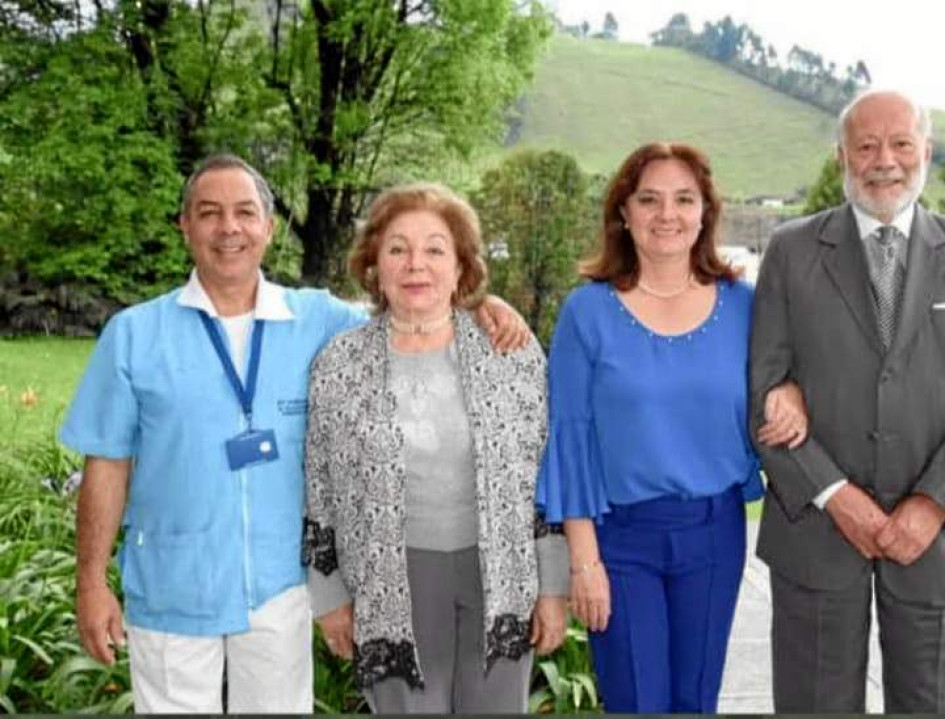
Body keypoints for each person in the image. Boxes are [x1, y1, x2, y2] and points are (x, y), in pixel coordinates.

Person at [60, 155, 530, 714]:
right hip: (172, 588)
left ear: (268, 226)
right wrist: (90, 580)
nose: (228, 228)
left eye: (245, 212)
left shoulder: (320, 321)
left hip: (278, 591)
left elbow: (411, 304)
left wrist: (479, 305)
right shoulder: (134, 336)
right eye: (209, 213)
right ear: (184, 225)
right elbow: (107, 465)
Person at [535, 142, 807, 713]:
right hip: (620, 540)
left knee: (696, 702)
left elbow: (785, 377)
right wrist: (584, 562)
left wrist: (789, 391)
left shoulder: (746, 306)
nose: (668, 214)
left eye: (684, 199)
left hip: (715, 534)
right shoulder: (588, 313)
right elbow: (571, 441)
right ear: (623, 213)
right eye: (649, 199)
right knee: (637, 702)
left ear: (704, 212)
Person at [303, 182, 569, 713]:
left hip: (500, 577)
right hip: (388, 581)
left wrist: (553, 586)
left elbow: (545, 480)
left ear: (461, 266)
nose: (415, 265)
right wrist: (328, 595)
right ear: (374, 264)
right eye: (397, 248)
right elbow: (320, 488)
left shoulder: (510, 353)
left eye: (434, 249)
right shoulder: (340, 364)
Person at [751, 89, 945, 712]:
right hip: (815, 535)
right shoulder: (790, 251)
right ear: (842, 157)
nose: (883, 159)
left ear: (927, 151)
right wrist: (838, 496)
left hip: (936, 540)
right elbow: (764, 392)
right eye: (866, 145)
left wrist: (933, 502)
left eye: (900, 144)